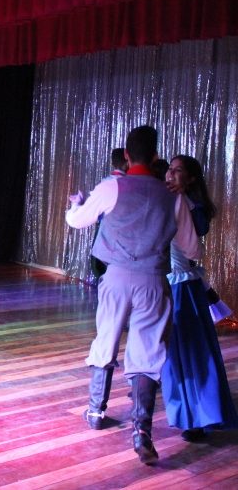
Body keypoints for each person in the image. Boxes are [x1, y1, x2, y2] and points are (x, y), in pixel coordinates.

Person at [66, 125, 202, 465]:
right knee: (147, 352)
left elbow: (77, 221)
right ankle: (142, 431)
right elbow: (192, 249)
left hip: (116, 277)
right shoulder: (173, 196)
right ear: (155, 156)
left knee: (107, 339)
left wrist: (76, 205)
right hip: (153, 280)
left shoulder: (111, 186)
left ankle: (96, 410)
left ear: (127, 155)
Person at [161, 155, 238, 441]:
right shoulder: (167, 198)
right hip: (170, 284)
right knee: (177, 354)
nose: (171, 174)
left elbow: (196, 239)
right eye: (170, 169)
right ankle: (189, 414)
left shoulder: (190, 205)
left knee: (192, 353)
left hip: (183, 286)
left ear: (191, 178)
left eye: (178, 171)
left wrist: (184, 199)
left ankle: (198, 417)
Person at [90, 147, 128, 280]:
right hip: (119, 231)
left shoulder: (105, 182)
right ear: (127, 162)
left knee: (101, 265)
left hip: (104, 227)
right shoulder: (128, 183)